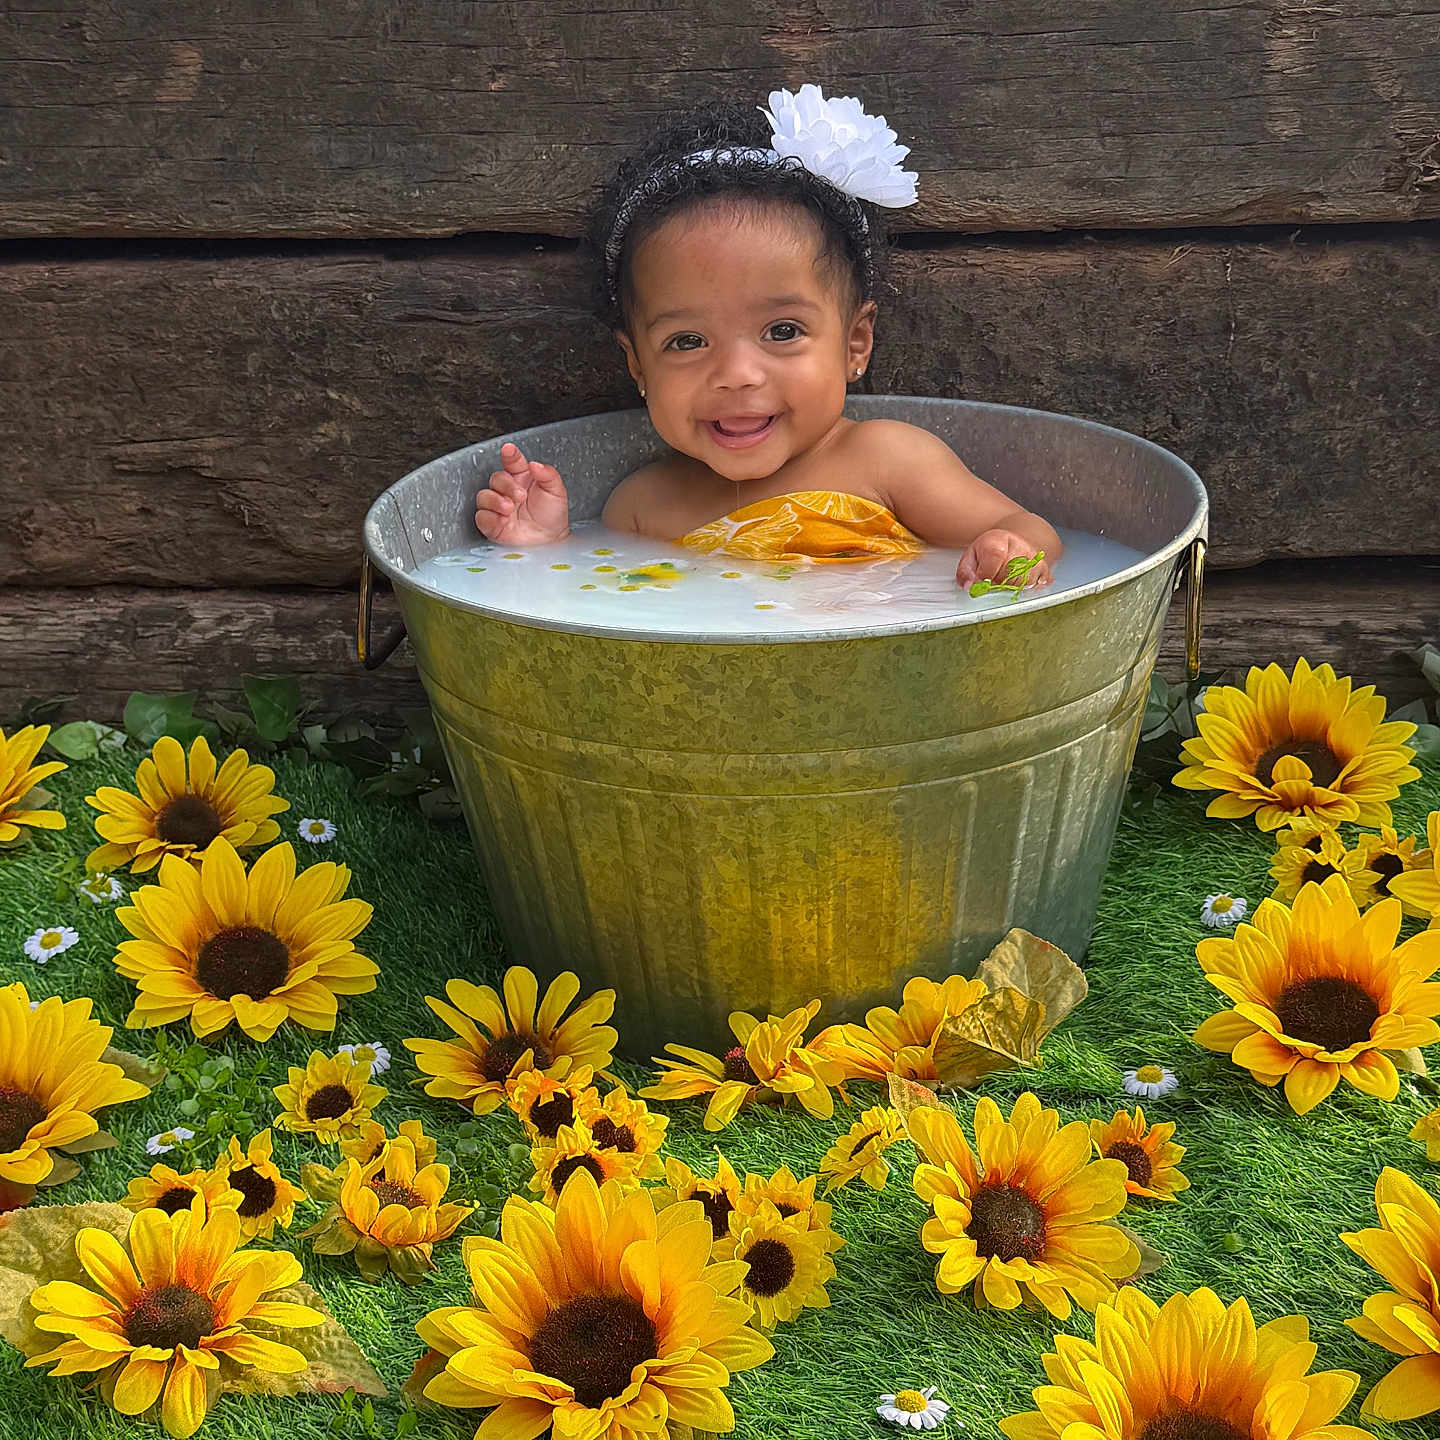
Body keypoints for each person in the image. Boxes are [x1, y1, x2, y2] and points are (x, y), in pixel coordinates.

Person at [474, 85, 1061, 588]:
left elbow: (1033, 532)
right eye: (686, 341)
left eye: (782, 331)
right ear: (637, 366)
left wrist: (1007, 555)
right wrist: (542, 550)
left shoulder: (887, 461)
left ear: (855, 344)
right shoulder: (641, 506)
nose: (737, 374)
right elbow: (601, 611)